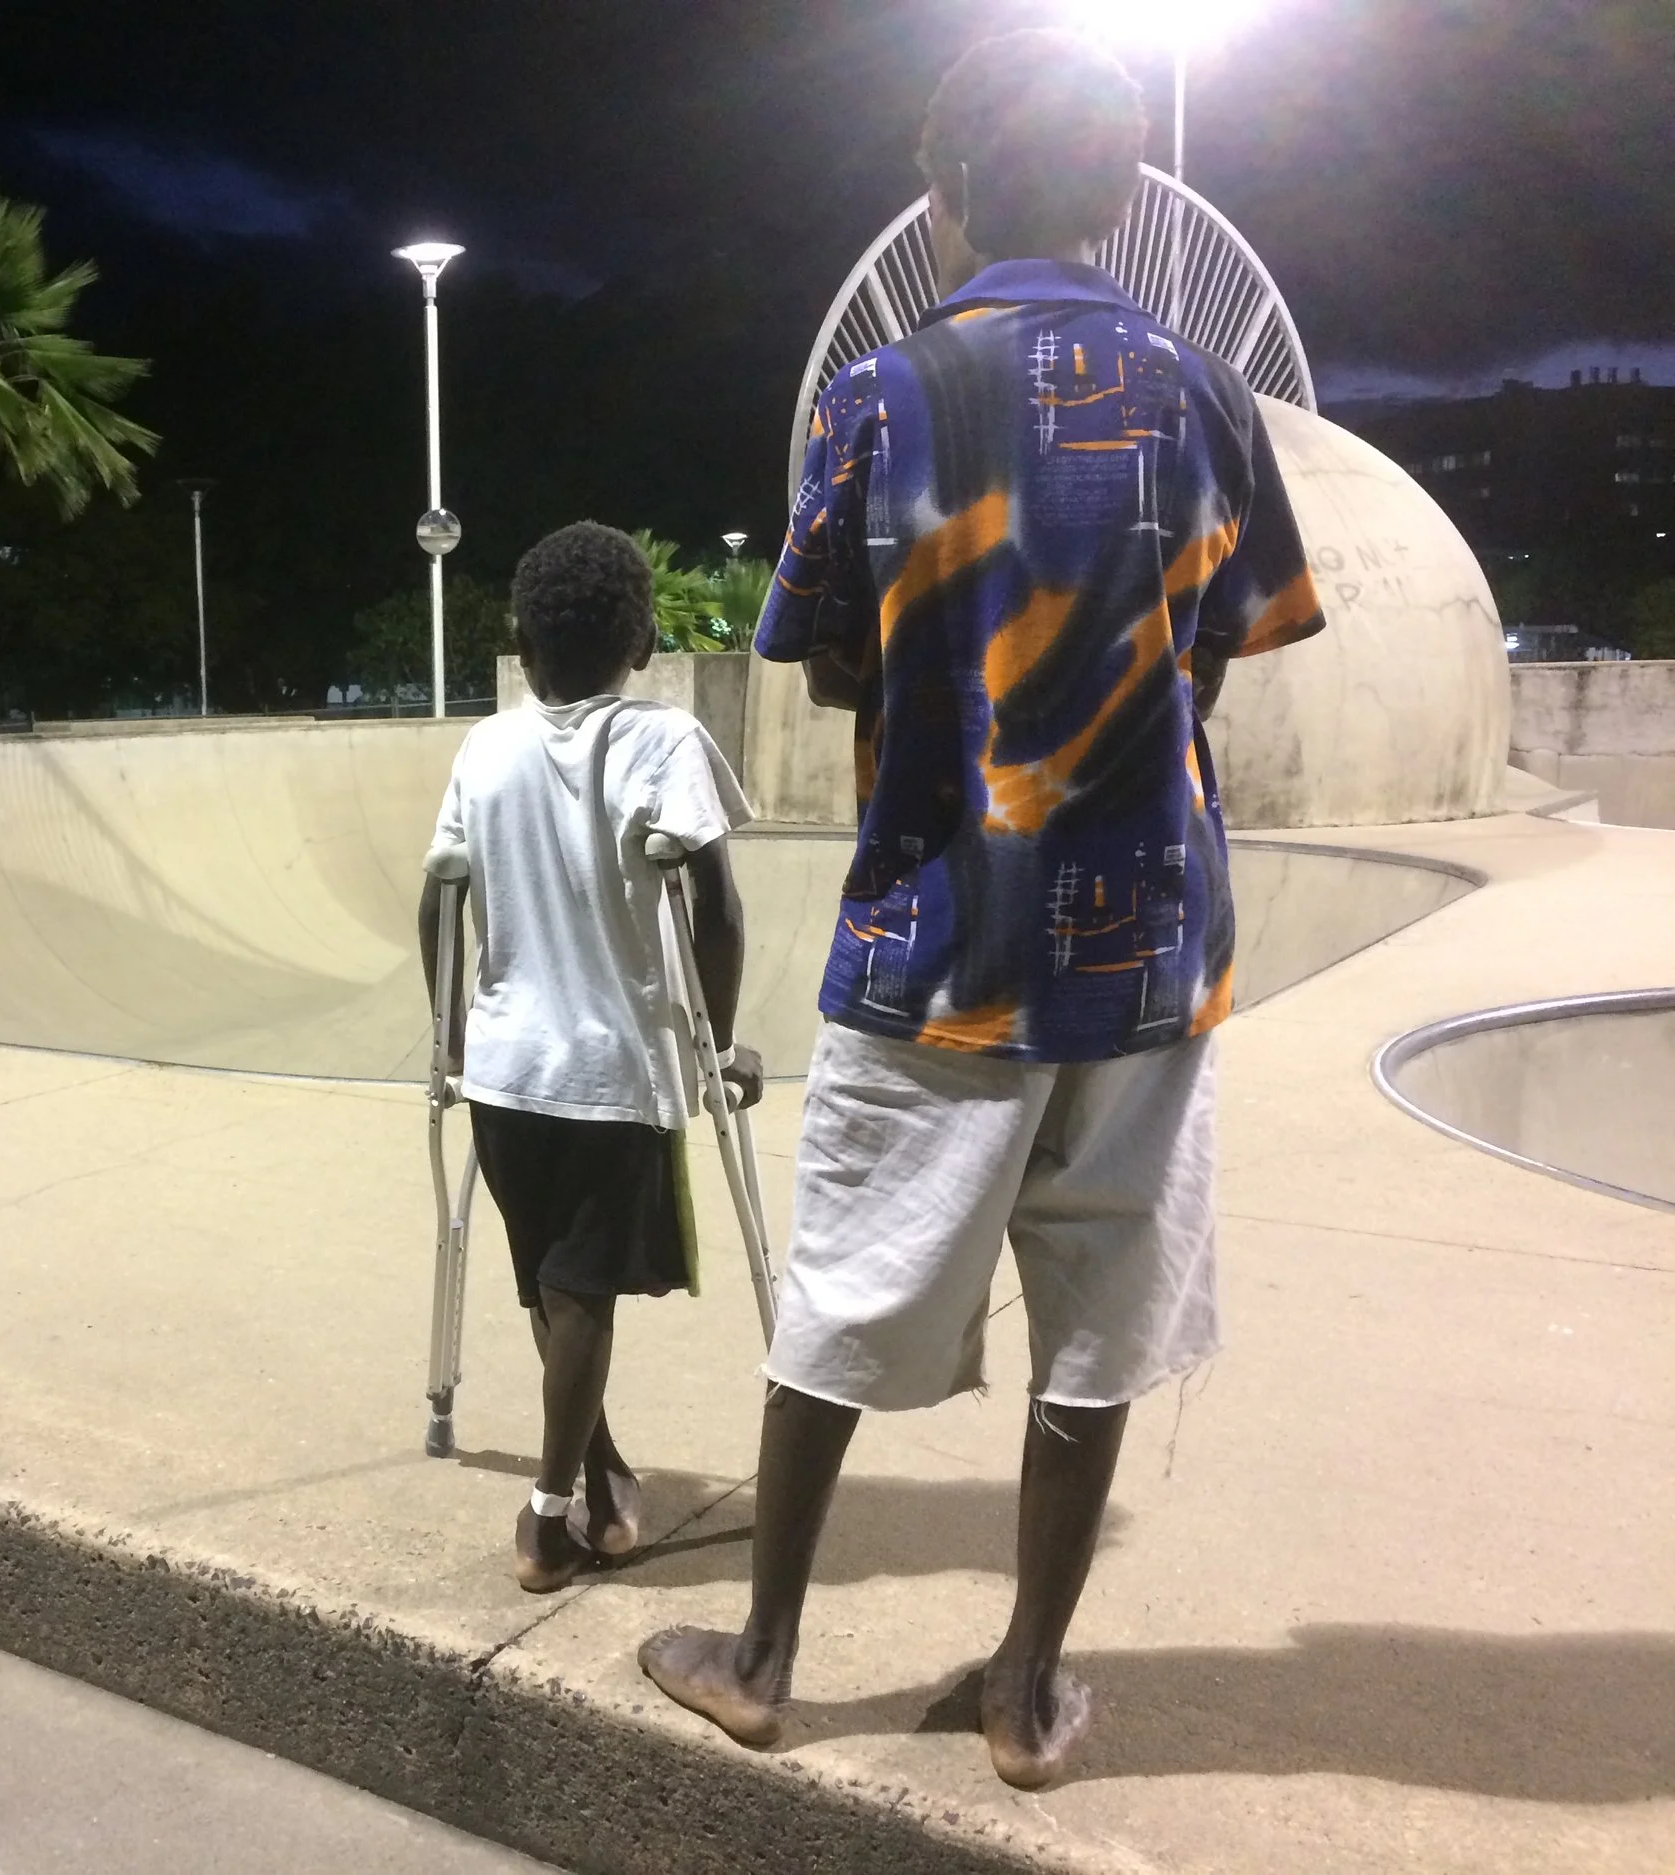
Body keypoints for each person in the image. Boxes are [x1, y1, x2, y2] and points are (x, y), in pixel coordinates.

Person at [638, 30, 1325, 1786]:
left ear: (944, 195)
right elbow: (1227, 650)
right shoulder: (1201, 391)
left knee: (846, 1291)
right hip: (1152, 950)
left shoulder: (878, 396)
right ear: (1119, 193)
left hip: (938, 943)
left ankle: (768, 1656)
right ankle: (1027, 1692)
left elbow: (835, 667)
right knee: (1096, 1314)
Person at [420, 521, 764, 1594]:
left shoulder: (486, 748)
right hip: (611, 1071)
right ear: (645, 638)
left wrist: (452, 1035)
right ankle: (548, 1514)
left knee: (553, 1287)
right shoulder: (661, 741)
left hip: (508, 1072)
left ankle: (603, 1471)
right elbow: (715, 905)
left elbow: (438, 900)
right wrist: (719, 1036)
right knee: (580, 1297)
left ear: (521, 642)